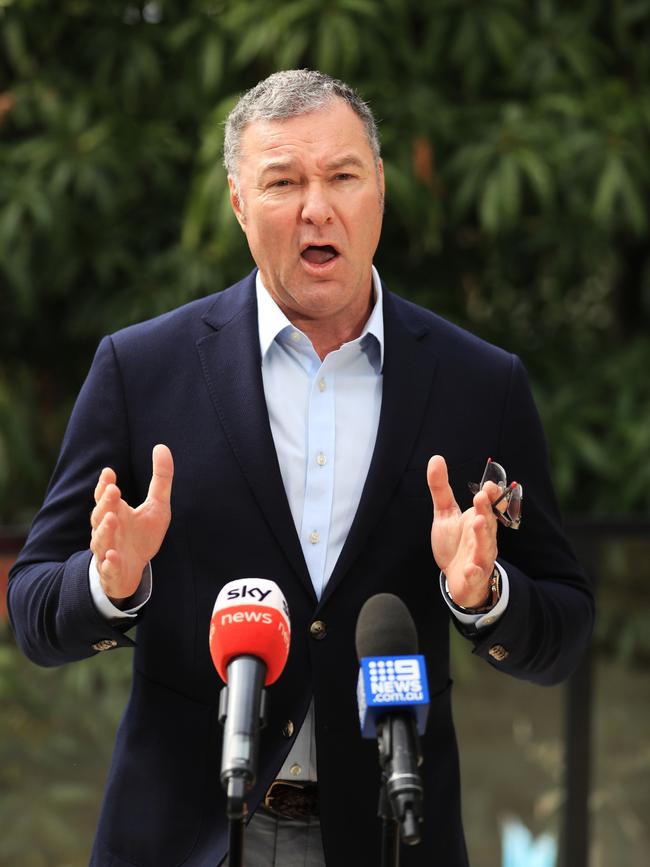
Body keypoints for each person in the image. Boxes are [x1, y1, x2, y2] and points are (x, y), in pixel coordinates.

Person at [8, 70, 594, 867]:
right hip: (188, 834)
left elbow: (562, 631)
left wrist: (485, 597)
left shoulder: (478, 383)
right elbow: (35, 609)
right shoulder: (141, 370)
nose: (317, 208)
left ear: (380, 190)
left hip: (391, 833)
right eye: (282, 181)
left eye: (343, 176)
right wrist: (111, 584)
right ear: (239, 203)